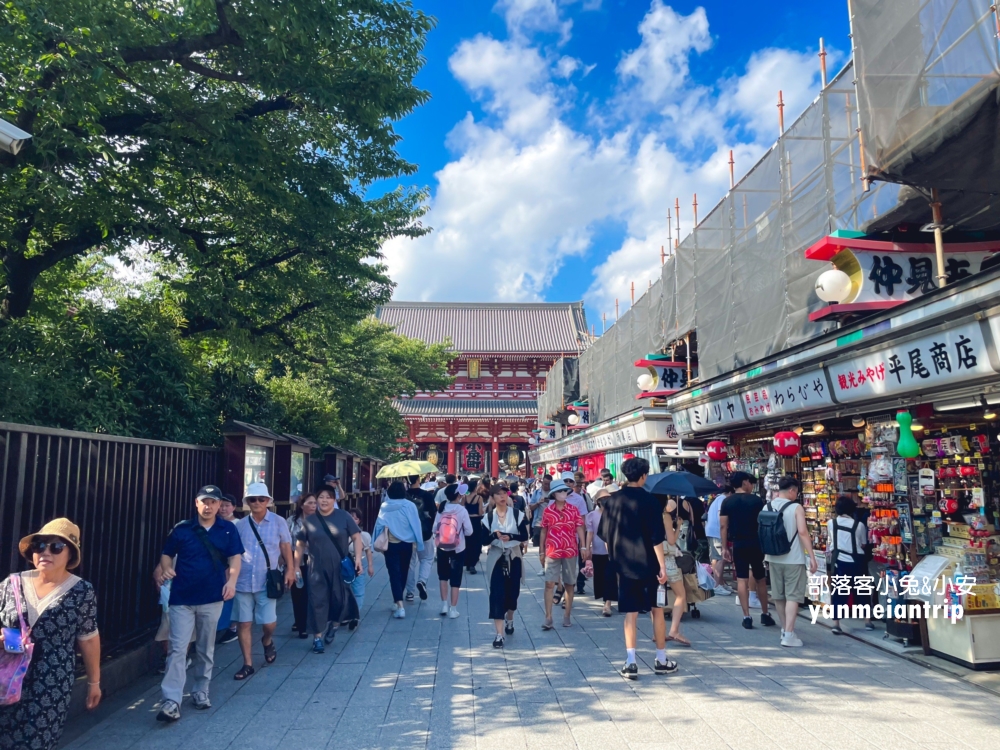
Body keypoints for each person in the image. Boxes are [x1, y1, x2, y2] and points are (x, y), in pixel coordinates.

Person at [0, 519, 101, 749]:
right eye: (40, 546)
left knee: (37, 742)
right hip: (6, 675)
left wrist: (94, 682)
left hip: (50, 684)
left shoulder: (81, 591)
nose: (46, 552)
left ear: (70, 554)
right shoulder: (12, 584)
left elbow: (88, 638)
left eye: (56, 547)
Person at [155, 486, 243, 721]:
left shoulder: (227, 530)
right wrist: (166, 568)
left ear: (218, 505)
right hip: (182, 597)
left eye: (213, 502)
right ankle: (171, 699)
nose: (209, 506)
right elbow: (166, 553)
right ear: (196, 503)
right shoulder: (183, 529)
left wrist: (232, 581)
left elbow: (235, 556)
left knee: (206, 646)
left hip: (212, 596)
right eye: (205, 501)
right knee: (177, 647)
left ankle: (201, 690)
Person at [598, 457, 677, 679]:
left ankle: (631, 662)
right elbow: (656, 538)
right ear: (643, 476)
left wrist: (614, 557)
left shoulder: (612, 501)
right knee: (657, 609)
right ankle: (661, 659)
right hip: (649, 564)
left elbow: (605, 536)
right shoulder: (651, 501)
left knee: (630, 614)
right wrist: (662, 565)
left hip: (623, 565)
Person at [233, 482, 295, 679]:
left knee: (268, 623)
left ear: (268, 501)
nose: (257, 502)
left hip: (267, 578)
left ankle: (267, 641)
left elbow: (286, 547)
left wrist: (291, 570)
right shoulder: (240, 525)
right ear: (247, 502)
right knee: (244, 623)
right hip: (243, 579)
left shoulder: (278, 522)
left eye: (261, 499)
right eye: (253, 499)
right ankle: (247, 663)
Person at [295, 484, 362, 652]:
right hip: (316, 568)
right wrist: (296, 565)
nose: (324, 500)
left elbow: (356, 537)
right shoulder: (310, 520)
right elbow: (301, 543)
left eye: (328, 497)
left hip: (339, 567)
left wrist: (359, 559)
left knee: (340, 600)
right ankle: (317, 637)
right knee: (317, 601)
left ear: (334, 499)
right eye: (321, 497)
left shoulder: (344, 516)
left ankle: (334, 625)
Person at [764, 476, 817, 647]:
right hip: (793, 558)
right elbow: (802, 532)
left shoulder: (767, 506)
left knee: (779, 595)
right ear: (792, 490)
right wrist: (812, 556)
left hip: (772, 557)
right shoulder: (796, 507)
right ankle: (788, 633)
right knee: (793, 595)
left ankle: (784, 629)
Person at [720, 472, 775, 630]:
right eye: (750, 483)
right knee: (760, 578)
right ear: (744, 483)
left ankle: (746, 616)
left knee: (742, 579)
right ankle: (765, 614)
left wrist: (725, 547)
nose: (751, 486)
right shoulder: (757, 501)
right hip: (756, 543)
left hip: (738, 543)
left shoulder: (727, 502)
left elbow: (723, 526)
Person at [483, 485, 530, 647]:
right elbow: (483, 540)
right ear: (492, 498)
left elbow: (524, 535)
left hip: (514, 555)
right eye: (498, 494)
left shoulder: (517, 514)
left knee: (513, 592)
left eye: (504, 493)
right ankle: (499, 634)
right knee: (496, 594)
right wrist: (493, 534)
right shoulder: (488, 517)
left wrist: (510, 536)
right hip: (496, 557)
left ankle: (510, 618)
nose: (502, 497)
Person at [539, 480, 587, 630]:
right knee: (549, 583)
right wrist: (541, 550)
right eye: (560, 491)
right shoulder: (548, 510)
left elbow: (580, 528)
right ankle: (548, 616)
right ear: (554, 494)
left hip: (570, 549)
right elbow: (543, 530)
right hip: (552, 550)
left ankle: (567, 614)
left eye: (565, 491)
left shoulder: (573, 510)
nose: (563, 494)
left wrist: (584, 546)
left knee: (569, 583)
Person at [373, 481, 425, 618]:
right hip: (407, 543)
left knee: (394, 573)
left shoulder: (385, 506)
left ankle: (398, 603)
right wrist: (419, 542)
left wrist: (374, 541)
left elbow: (379, 524)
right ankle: (398, 601)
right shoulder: (410, 506)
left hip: (390, 543)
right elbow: (416, 524)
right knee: (403, 571)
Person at [827, 495, 873, 634]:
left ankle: (836, 624)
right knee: (862, 591)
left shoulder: (831, 523)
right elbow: (863, 544)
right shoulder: (858, 525)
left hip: (839, 562)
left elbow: (831, 541)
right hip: (856, 562)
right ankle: (867, 621)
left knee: (839, 593)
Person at [433, 484, 474, 618]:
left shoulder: (441, 509)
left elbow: (435, 528)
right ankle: (453, 609)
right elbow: (469, 531)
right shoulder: (462, 510)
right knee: (456, 578)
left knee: (443, 576)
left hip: (442, 546)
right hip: (458, 547)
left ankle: (444, 605)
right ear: (458, 495)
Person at [661, 495, 691, 647]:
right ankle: (674, 630)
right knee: (680, 594)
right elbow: (672, 540)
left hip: (652, 558)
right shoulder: (664, 516)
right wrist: (678, 526)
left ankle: (657, 632)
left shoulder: (647, 513)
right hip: (667, 559)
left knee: (657, 598)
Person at [286, 493, 317, 639]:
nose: (312, 506)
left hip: (314, 559)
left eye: (314, 503)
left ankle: (306, 621)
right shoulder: (292, 521)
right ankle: (300, 623)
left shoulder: (320, 520)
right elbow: (285, 540)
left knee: (311, 592)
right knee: (298, 592)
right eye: (309, 503)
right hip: (295, 558)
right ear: (302, 504)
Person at [585, 488, 618, 617]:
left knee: (610, 576)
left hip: (612, 551)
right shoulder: (592, 515)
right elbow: (590, 533)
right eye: (603, 499)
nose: (606, 501)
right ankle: (605, 598)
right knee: (599, 576)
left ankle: (607, 603)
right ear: (598, 501)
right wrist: (587, 548)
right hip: (598, 551)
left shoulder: (615, 514)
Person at [405, 475, 437, 603]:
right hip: (425, 531)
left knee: (410, 562)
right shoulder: (427, 495)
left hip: (408, 533)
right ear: (418, 480)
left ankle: (410, 593)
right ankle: (422, 580)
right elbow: (433, 512)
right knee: (427, 558)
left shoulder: (404, 496)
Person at [214, 494, 241, 644]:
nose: (223, 509)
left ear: (234, 507)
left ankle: (232, 627)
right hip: (217, 566)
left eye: (227, 505)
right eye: (221, 505)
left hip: (232, 566)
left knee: (231, 596)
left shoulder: (238, 524)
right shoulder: (214, 523)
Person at [704, 485, 733, 595]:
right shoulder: (723, 500)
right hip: (717, 532)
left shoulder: (716, 499)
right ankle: (716, 585)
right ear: (730, 493)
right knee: (721, 557)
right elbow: (721, 517)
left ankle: (720, 583)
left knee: (717, 558)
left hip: (712, 531)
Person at [348, 509, 374, 618]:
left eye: (356, 518)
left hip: (358, 563)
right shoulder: (340, 533)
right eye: (351, 517)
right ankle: (346, 613)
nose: (353, 520)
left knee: (358, 590)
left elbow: (368, 551)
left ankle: (355, 614)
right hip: (344, 563)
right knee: (345, 590)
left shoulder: (365, 535)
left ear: (359, 521)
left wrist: (370, 566)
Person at [464, 480, 485, 574]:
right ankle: (473, 564)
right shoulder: (479, 498)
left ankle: (467, 563)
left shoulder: (464, 497)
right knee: (476, 543)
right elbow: (480, 512)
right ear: (475, 487)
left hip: (467, 521)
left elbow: (461, 508)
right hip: (476, 521)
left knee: (467, 542)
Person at [529, 475, 551, 552]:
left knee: (550, 545)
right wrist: (538, 503)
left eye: (549, 484)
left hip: (551, 523)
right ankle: (543, 561)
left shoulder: (554, 493)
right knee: (540, 546)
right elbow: (531, 507)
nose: (546, 485)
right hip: (539, 522)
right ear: (542, 482)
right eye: (545, 483)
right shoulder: (537, 492)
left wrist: (550, 502)